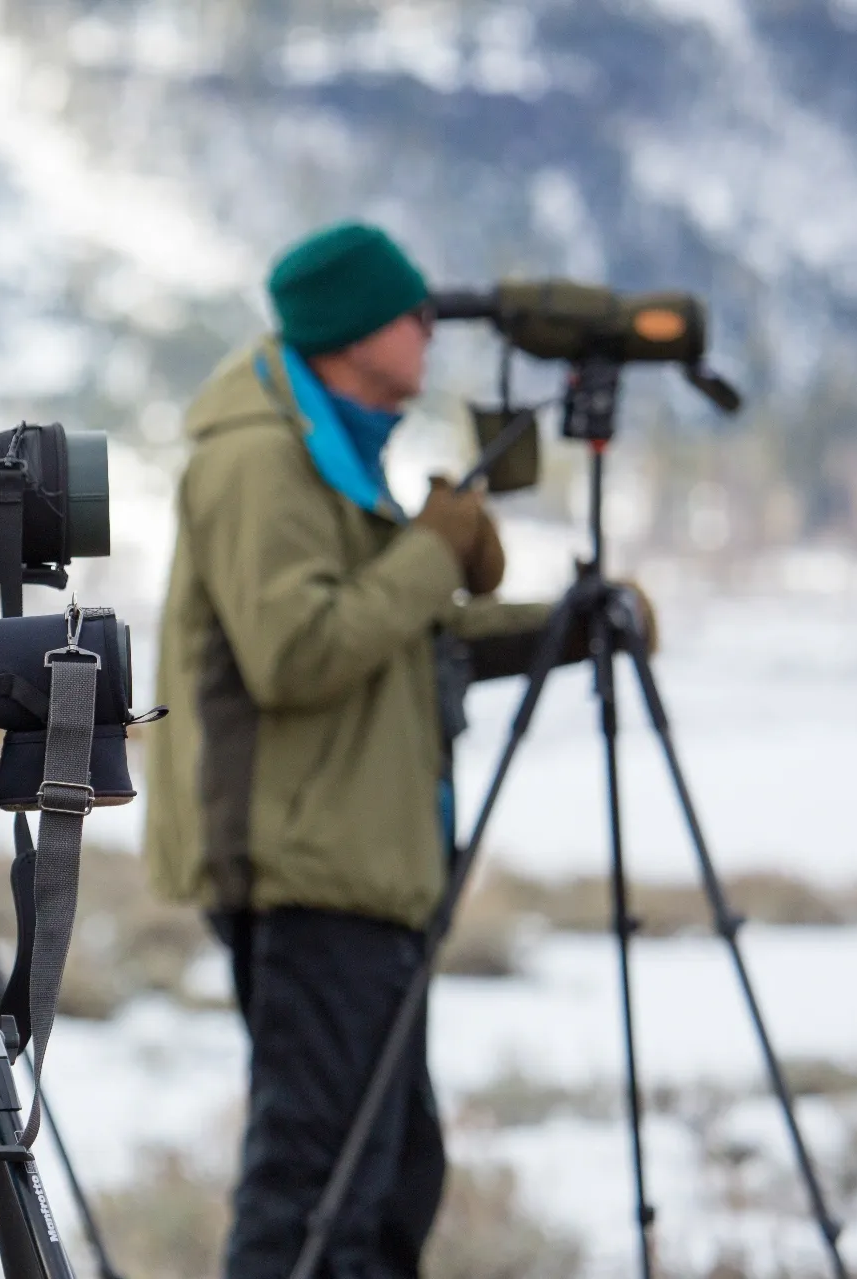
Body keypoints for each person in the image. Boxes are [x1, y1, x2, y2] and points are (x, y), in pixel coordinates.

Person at [145, 222, 570, 1279]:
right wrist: (435, 551)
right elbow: (296, 650)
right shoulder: (260, 460)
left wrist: (560, 628)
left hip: (362, 868)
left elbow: (388, 642)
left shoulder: (335, 455)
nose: (431, 329)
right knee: (318, 1189)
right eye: (410, 310)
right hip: (305, 870)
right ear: (348, 329)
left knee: (385, 1184)